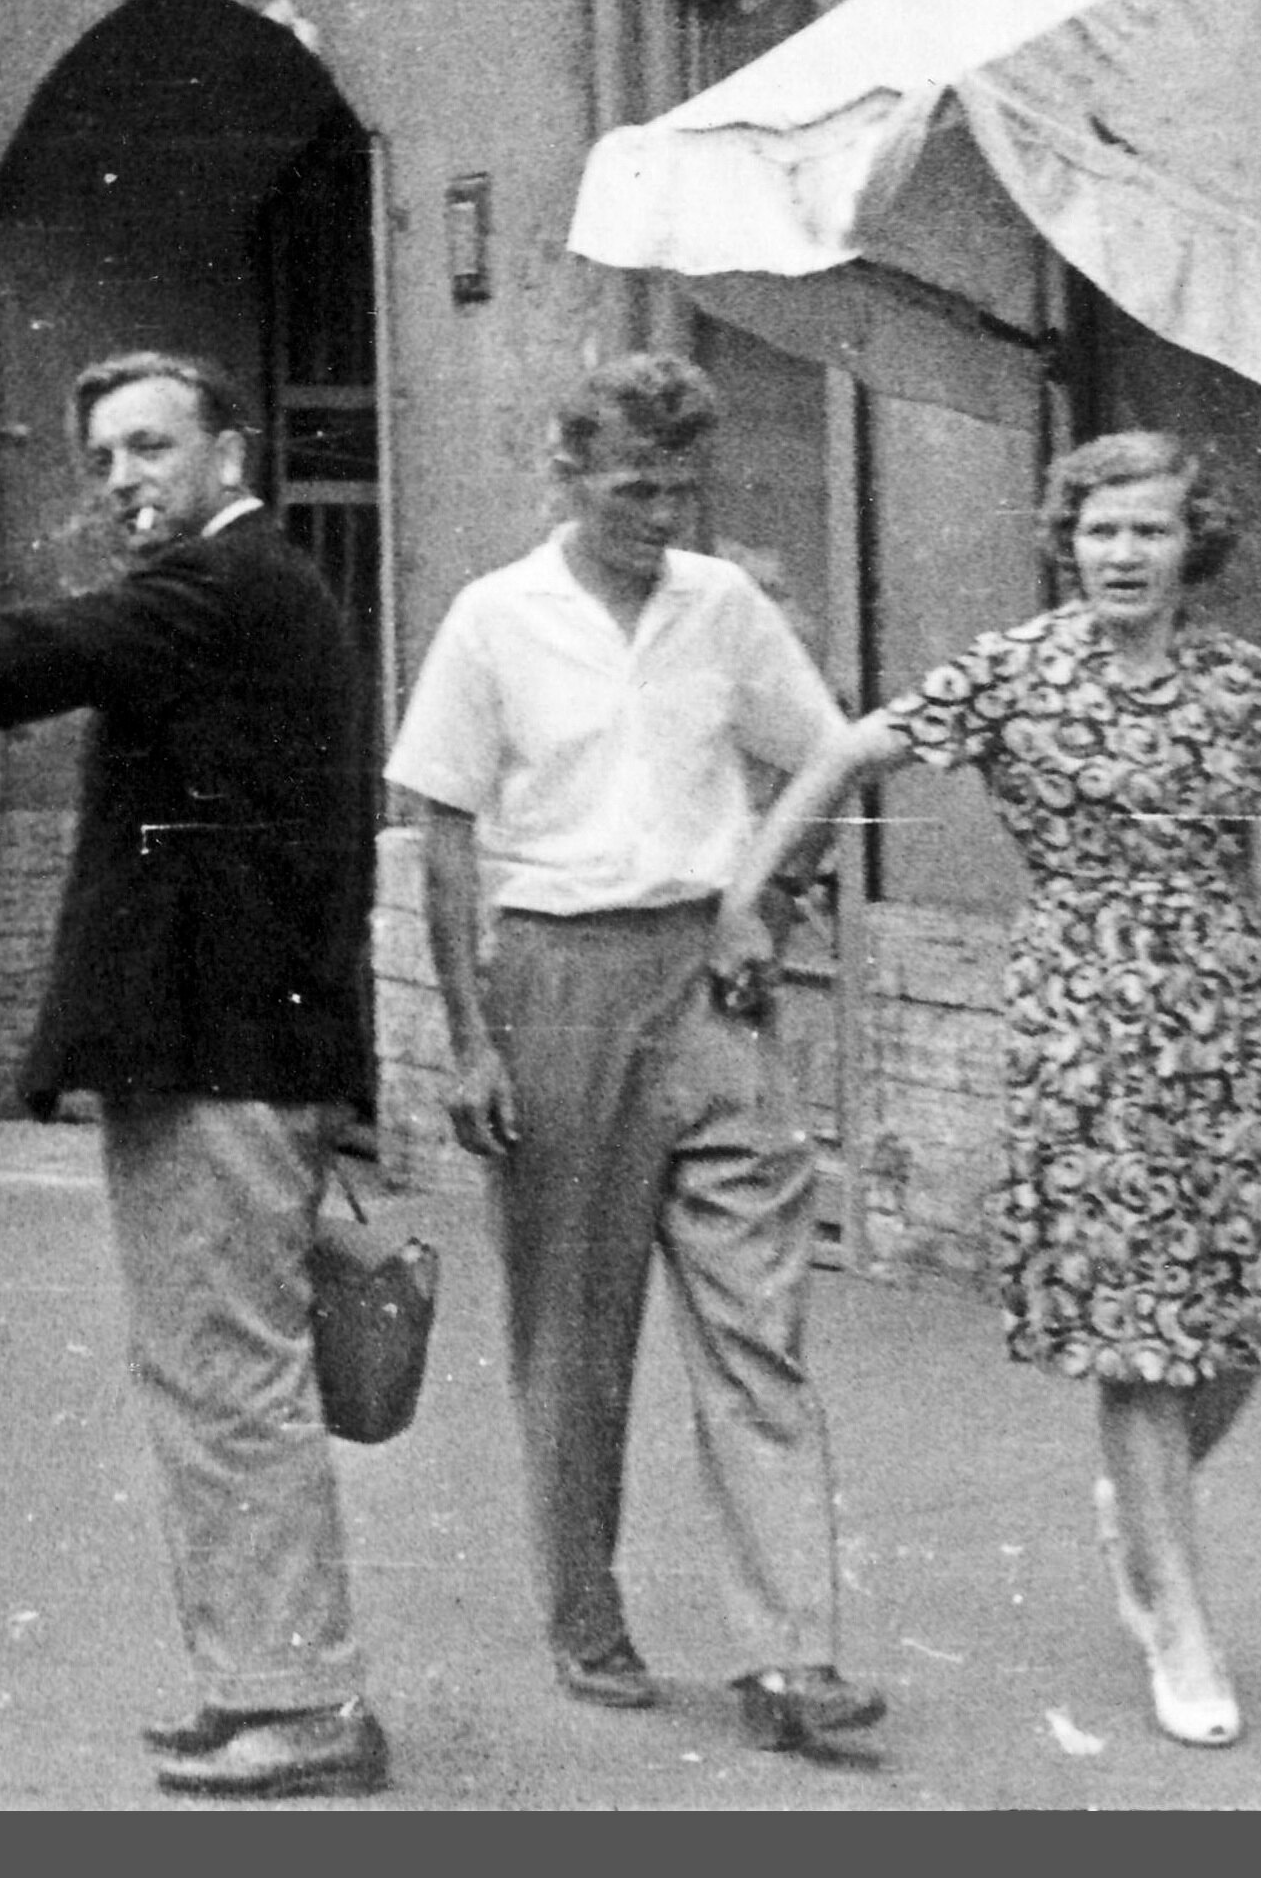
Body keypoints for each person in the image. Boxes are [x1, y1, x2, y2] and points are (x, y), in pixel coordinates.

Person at [719, 429, 1261, 1751]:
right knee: (1137, 1334)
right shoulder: (1016, 670)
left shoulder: (1243, 681)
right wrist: (749, 898)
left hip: (1227, 1018)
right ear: (1067, 540)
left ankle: (1138, 1510)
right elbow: (840, 755)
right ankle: (1177, 1618)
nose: (1122, 554)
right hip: (1084, 1024)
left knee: (1237, 1322)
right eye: (1100, 530)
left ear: (1191, 543)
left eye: (1149, 530)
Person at [0, 351, 388, 1801]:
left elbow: (45, 645)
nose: (124, 479)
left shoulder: (228, 583)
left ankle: (300, 1700)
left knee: (232, 1376)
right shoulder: (235, 588)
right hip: (216, 1043)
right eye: (104, 458)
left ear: (229, 452)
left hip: (226, 1049)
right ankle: (256, 1681)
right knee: (207, 1370)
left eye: (150, 446)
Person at [384, 356, 885, 1754]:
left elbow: (829, 758)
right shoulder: (494, 618)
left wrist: (766, 903)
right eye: (633, 489)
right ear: (566, 473)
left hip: (710, 983)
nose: (662, 515)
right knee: (574, 1335)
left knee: (757, 1322)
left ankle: (791, 1656)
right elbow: (442, 835)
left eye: (681, 489)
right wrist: (470, 1042)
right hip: (554, 980)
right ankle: (585, 1616)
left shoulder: (722, 606)